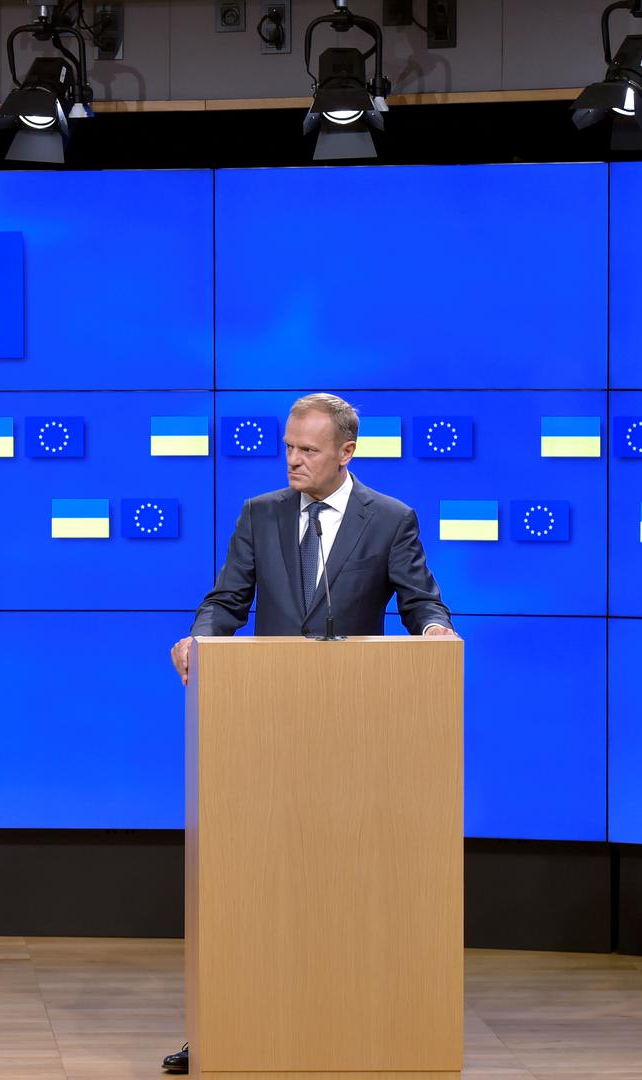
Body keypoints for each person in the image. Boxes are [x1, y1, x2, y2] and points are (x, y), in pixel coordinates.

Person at [160, 392, 457, 1075]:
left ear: (347, 452)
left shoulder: (390, 519)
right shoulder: (260, 514)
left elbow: (419, 598)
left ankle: (354, 1023)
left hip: (355, 735)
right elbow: (227, 599)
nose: (294, 459)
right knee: (250, 889)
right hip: (262, 728)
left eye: (309, 449)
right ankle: (224, 1030)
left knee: (343, 891)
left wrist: (436, 629)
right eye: (289, 447)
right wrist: (199, 638)